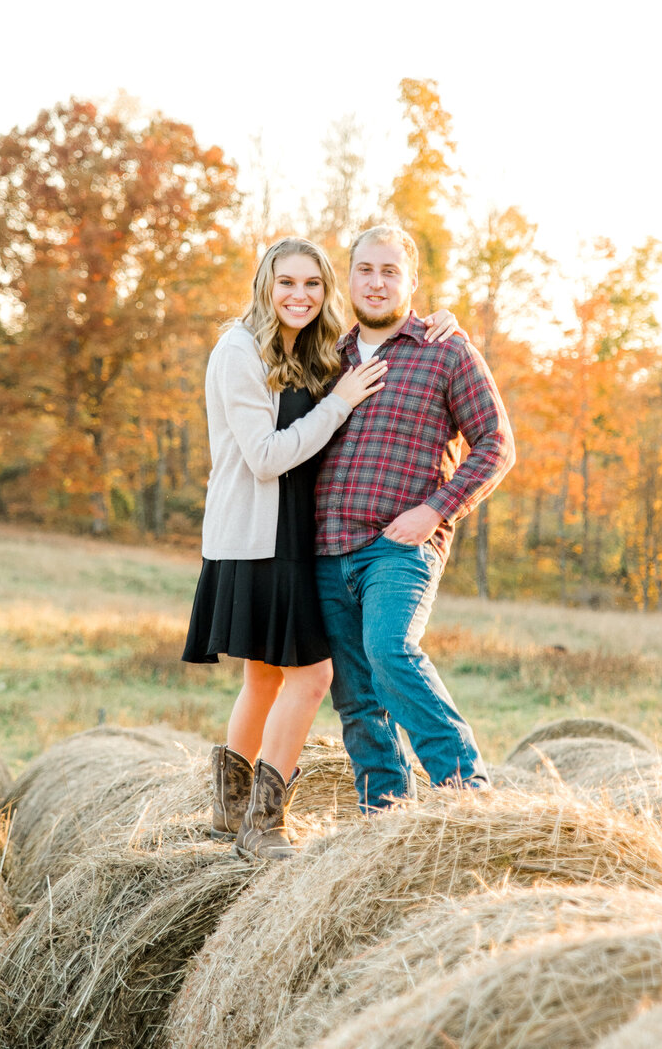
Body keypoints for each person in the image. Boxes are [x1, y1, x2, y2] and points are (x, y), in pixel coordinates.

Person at [182, 235, 458, 860]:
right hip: (256, 535)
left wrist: (440, 321)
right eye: (287, 283)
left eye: (312, 284)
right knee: (313, 677)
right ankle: (263, 825)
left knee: (264, 678)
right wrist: (337, 403)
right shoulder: (239, 349)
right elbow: (264, 456)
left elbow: (385, 327)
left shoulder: (308, 348)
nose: (299, 295)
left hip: (290, 532)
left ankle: (230, 814)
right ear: (264, 285)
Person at [313, 223, 516, 812]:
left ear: (412, 281)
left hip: (399, 546)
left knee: (390, 649)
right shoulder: (330, 355)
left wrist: (435, 510)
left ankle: (466, 795)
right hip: (326, 548)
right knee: (354, 697)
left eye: (390, 271)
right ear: (348, 278)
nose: (376, 283)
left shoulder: (445, 349)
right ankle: (386, 817)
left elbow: (496, 445)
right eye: (366, 270)